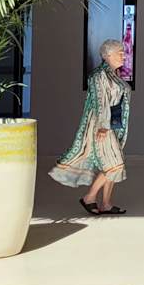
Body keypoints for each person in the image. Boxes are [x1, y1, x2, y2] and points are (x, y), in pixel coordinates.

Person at [50, 39, 132, 215]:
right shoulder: (99, 75)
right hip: (102, 126)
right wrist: (103, 126)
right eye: (120, 53)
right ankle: (89, 197)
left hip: (114, 124)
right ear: (108, 55)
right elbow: (99, 102)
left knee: (109, 165)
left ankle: (106, 203)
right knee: (115, 165)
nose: (123, 56)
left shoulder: (113, 74)